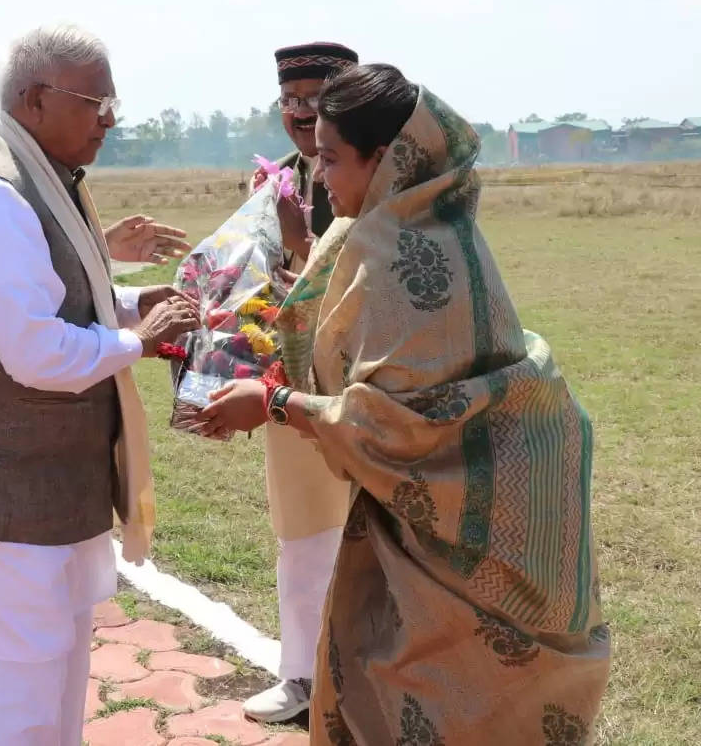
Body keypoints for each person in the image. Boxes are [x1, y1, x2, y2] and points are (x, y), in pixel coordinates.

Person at [197, 64, 610, 744]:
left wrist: (271, 402)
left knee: (438, 700)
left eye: (331, 157)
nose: (321, 173)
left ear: (384, 157)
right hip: (504, 495)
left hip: (474, 528)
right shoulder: (428, 221)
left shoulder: (395, 249)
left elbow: (398, 427)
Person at [0, 24, 200, 745]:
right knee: (19, 709)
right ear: (35, 100)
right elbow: (35, 350)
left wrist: (133, 305)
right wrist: (138, 339)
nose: (111, 119)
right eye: (97, 102)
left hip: (47, 494)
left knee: (55, 701)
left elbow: (56, 298)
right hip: (0, 505)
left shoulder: (44, 178)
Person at [242, 42, 358, 723]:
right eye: (292, 103)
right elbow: (251, 287)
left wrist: (299, 247)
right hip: (292, 388)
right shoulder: (275, 180)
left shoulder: (386, 178)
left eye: (319, 103)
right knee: (303, 535)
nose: (304, 117)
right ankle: (299, 676)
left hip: (367, 388)